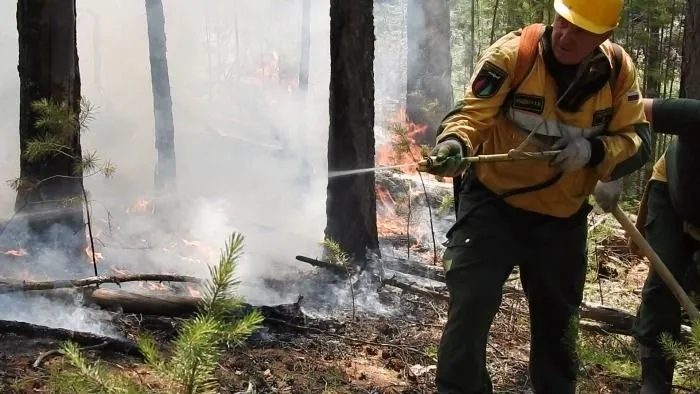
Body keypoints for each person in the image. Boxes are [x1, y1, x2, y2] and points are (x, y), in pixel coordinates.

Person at [420, 0, 653, 392]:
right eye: (563, 23)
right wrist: (454, 143)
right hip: (493, 205)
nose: (565, 35)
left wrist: (594, 153)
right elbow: (472, 113)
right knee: (470, 304)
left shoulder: (617, 73)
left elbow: (637, 140)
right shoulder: (516, 54)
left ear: (605, 36)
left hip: (561, 219)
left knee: (558, 323)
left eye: (580, 30)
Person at [631, 97, 700, 393]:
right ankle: (655, 375)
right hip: (671, 194)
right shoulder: (693, 115)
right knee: (667, 274)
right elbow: (631, 108)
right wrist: (608, 167)